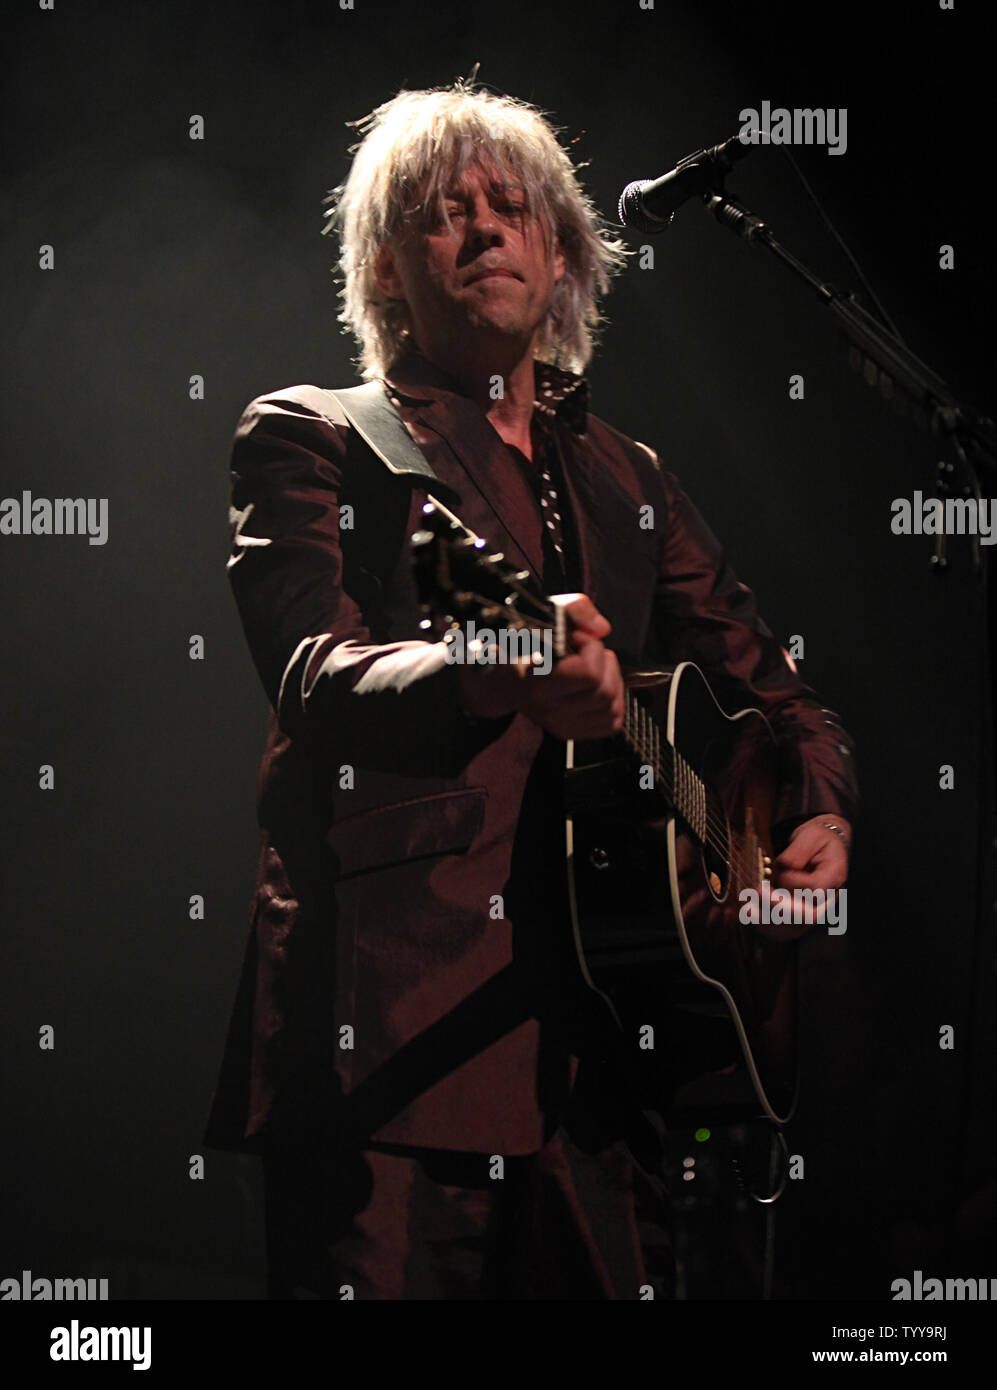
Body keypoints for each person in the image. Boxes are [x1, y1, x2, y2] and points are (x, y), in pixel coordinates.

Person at [204, 81, 858, 1300]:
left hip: (609, 1073)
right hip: (391, 1045)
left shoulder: (629, 477)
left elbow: (783, 699)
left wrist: (818, 809)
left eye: (514, 208)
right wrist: (498, 665)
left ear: (561, 257)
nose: (486, 229)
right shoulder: (322, 436)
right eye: (445, 212)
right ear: (387, 267)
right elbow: (313, 675)